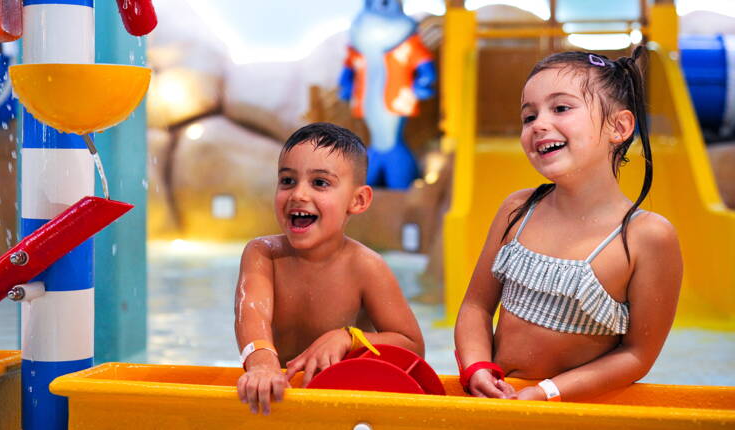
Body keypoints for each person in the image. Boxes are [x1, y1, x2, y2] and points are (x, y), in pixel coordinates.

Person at [454, 47, 683, 402]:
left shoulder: (646, 236)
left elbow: (637, 354)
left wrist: (547, 392)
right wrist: (477, 368)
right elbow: (475, 307)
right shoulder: (518, 210)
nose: (538, 124)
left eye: (561, 108)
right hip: (498, 401)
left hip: (571, 408)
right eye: (529, 116)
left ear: (619, 127)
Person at [235, 122, 425, 414]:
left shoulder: (365, 267)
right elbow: (252, 316)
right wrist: (262, 366)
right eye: (287, 180)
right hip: (281, 395)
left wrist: (349, 338)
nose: (298, 194)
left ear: (358, 200)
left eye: (320, 183)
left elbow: (412, 346)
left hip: (345, 403)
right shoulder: (263, 254)